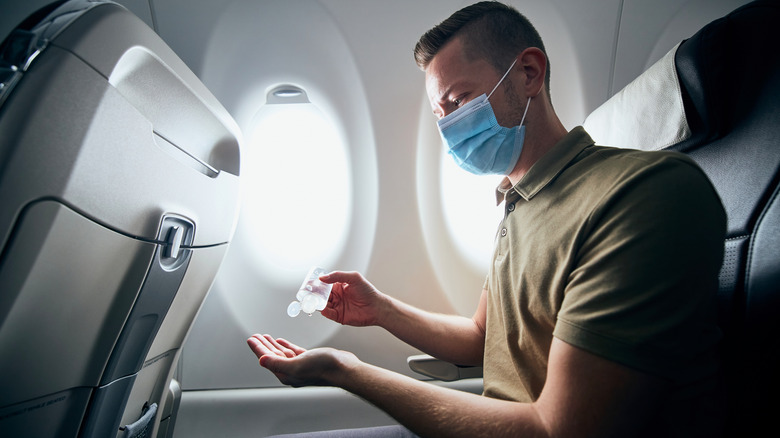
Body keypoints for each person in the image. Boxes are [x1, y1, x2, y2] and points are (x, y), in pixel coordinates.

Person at [248, 1, 727, 437]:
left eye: (459, 100)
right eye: (440, 114)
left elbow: (557, 430)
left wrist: (345, 371)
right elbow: (482, 338)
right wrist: (379, 310)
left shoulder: (641, 194)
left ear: (529, 73)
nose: (449, 126)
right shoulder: (517, 203)